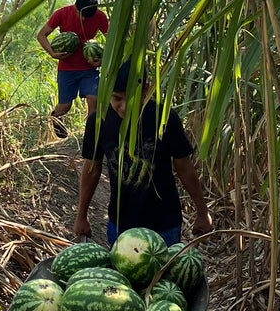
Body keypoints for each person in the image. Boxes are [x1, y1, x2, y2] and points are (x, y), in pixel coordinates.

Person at [75, 60, 213, 246]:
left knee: (163, 274)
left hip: (165, 225)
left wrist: (203, 213)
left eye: (131, 98)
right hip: (121, 225)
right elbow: (92, 169)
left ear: (145, 90)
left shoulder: (164, 118)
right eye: (117, 99)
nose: (123, 107)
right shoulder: (98, 122)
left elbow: (184, 168)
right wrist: (81, 215)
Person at [36, 0, 110, 138]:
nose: (83, 19)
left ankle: (91, 137)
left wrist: (103, 60)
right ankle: (56, 117)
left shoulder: (100, 16)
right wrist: (52, 53)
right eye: (81, 14)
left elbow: (113, 40)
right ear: (75, 8)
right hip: (67, 68)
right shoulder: (62, 13)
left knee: (93, 99)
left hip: (89, 68)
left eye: (87, 16)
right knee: (65, 106)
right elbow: (41, 35)